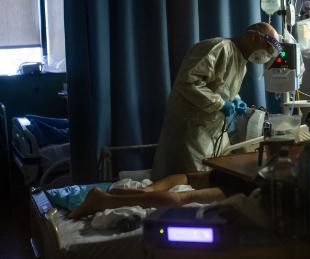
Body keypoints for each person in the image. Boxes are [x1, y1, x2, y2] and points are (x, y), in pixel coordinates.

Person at [152, 22, 282, 179]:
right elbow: (188, 83)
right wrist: (220, 104)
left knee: (219, 174)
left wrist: (235, 99)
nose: (266, 57)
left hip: (213, 128)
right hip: (192, 127)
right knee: (193, 180)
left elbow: (223, 87)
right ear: (254, 37)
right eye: (268, 50)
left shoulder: (241, 61)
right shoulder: (219, 48)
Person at [68, 172, 226, 219]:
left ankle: (146, 192)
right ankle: (106, 200)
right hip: (240, 183)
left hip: (230, 175)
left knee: (187, 185)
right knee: (183, 198)